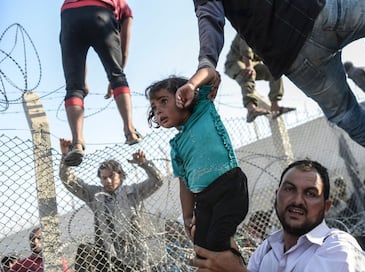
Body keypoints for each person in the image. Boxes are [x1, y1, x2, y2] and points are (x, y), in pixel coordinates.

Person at [178, 0, 365, 174]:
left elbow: (209, 16)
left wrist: (206, 63)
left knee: (343, 112)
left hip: (292, 59)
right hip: (315, 14)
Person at [193, 159, 365, 272]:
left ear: (326, 206)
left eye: (310, 194)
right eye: (289, 189)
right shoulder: (268, 249)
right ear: (276, 196)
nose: (297, 201)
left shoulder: (338, 249)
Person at [145, 76, 249, 254]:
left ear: (183, 97)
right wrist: (186, 215)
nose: (158, 111)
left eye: (163, 101)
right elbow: (185, 184)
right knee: (201, 247)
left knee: (219, 241)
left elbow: (210, 73)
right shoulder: (176, 147)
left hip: (228, 188)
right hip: (203, 201)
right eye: (154, 108)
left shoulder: (203, 109)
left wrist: (191, 85)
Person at [59, 139, 163, 271]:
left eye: (111, 176)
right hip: (109, 256)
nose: (107, 181)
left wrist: (145, 164)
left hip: (134, 254)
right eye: (103, 177)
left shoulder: (132, 192)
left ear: (120, 175)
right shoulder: (95, 195)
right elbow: (69, 181)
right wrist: (66, 158)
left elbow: (157, 181)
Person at [60, 0, 142, 167]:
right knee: (117, 76)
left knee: (74, 88)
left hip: (69, 14)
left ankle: (77, 142)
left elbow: (76, 49)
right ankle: (130, 130)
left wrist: (82, 81)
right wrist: (116, 75)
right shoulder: (124, 8)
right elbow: (124, 49)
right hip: (101, 11)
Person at [224, 34, 295, 122]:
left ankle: (275, 106)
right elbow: (245, 45)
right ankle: (251, 109)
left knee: (274, 72)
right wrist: (248, 65)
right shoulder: (249, 27)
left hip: (254, 63)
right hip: (235, 62)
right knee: (248, 73)